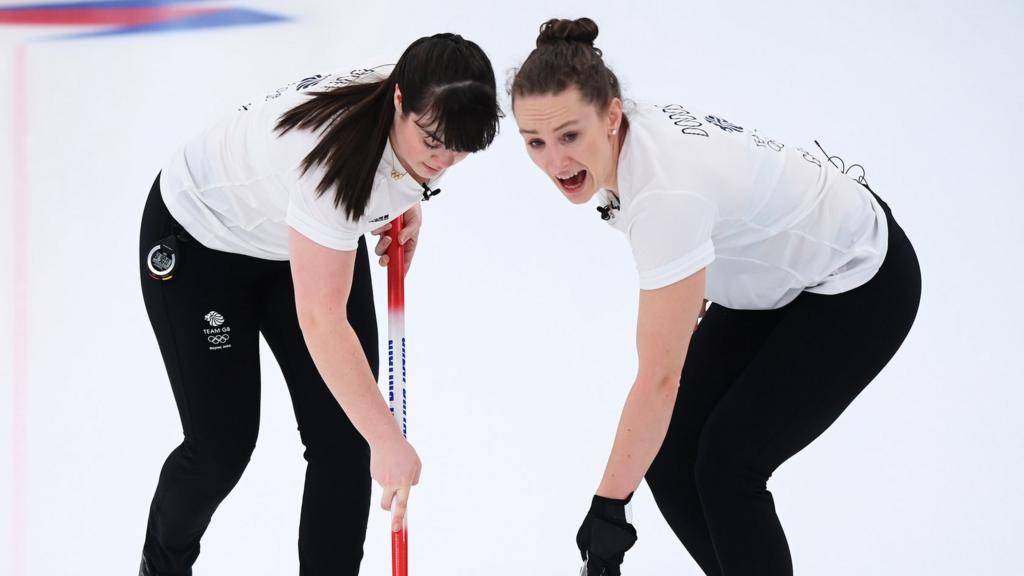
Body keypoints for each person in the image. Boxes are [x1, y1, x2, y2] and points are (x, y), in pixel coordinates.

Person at [510, 17, 921, 576]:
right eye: (534, 142)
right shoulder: (629, 146)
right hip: (782, 276)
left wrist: (607, 510)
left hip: (860, 279)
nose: (555, 163)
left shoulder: (664, 193)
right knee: (672, 453)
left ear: (610, 114)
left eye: (568, 137)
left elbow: (659, 378)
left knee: (728, 467)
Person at [137, 33, 500, 576]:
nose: (443, 160)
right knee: (221, 446)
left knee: (344, 439)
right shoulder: (331, 167)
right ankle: (161, 568)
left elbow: (393, 172)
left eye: (459, 150)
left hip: (296, 236)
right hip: (201, 241)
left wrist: (408, 192)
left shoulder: (426, 88)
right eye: (433, 143)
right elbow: (322, 321)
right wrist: (389, 443)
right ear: (398, 99)